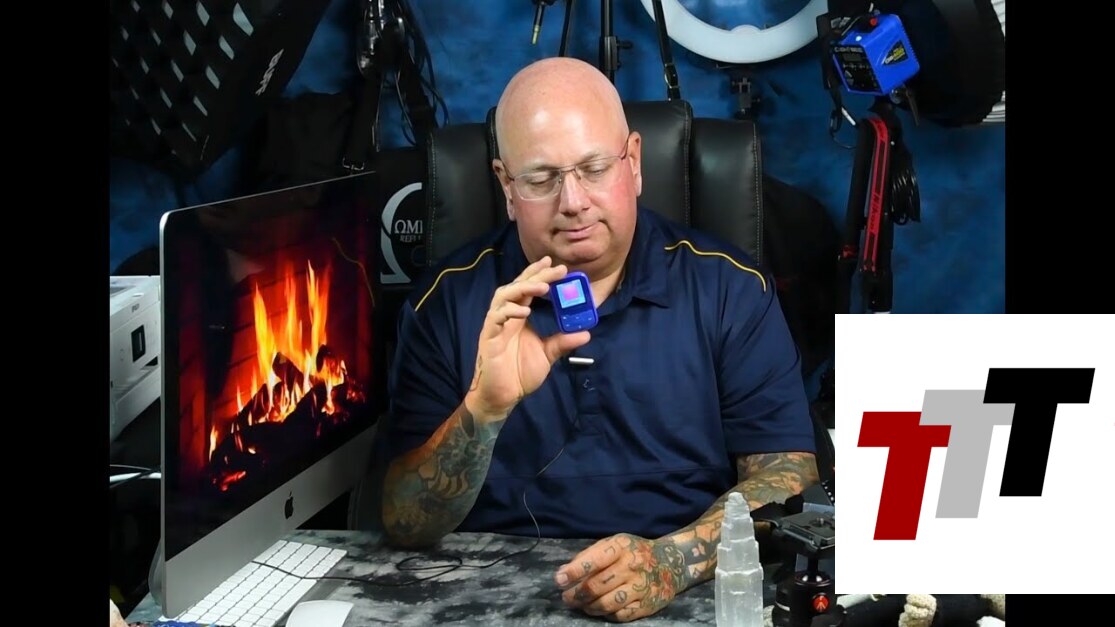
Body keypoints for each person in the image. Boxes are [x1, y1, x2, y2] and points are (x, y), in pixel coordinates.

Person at [378, 57, 819, 623]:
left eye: (594, 168)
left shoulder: (730, 288)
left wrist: (672, 560)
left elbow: (789, 478)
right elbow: (404, 523)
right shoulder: (444, 303)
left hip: (685, 584)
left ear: (633, 162)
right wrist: (482, 411)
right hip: (490, 594)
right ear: (506, 186)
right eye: (541, 179)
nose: (573, 201)